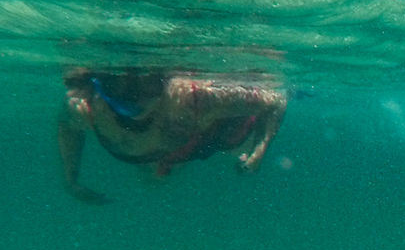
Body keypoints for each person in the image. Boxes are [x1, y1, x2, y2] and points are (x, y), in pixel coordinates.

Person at [58, 68, 287, 203]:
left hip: (205, 133)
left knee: (236, 144)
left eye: (146, 86)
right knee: (153, 181)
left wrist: (260, 148)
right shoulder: (86, 108)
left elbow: (275, 100)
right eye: (117, 87)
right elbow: (66, 124)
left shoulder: (191, 99)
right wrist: (71, 180)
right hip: (167, 143)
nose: (136, 98)